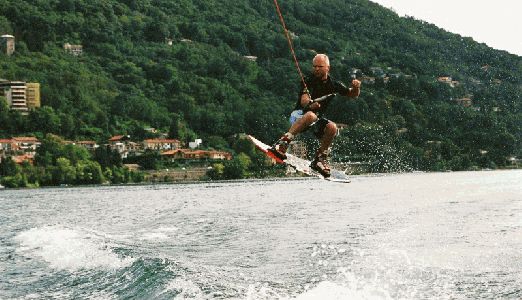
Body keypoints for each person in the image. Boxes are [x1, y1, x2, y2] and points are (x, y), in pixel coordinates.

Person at [268, 54, 361, 177]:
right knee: (311, 115)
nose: (316, 69)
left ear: (328, 68)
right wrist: (310, 105)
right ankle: (282, 143)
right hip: (298, 116)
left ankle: (320, 159)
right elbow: (304, 99)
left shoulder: (333, 84)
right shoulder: (308, 80)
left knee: (332, 127)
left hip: (315, 120)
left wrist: (356, 88)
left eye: (320, 66)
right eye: (314, 66)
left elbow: (352, 94)